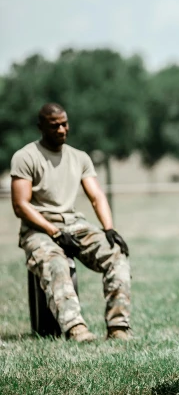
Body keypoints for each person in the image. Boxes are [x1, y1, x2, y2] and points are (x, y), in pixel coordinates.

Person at [10, 103, 132, 342]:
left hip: (74, 224)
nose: (62, 129)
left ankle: (118, 328)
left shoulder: (79, 157)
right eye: (54, 125)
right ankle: (76, 329)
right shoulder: (25, 157)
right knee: (56, 263)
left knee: (116, 254)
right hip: (39, 228)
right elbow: (21, 205)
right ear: (41, 126)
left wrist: (109, 229)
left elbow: (96, 196)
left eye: (64, 124)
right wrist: (54, 232)